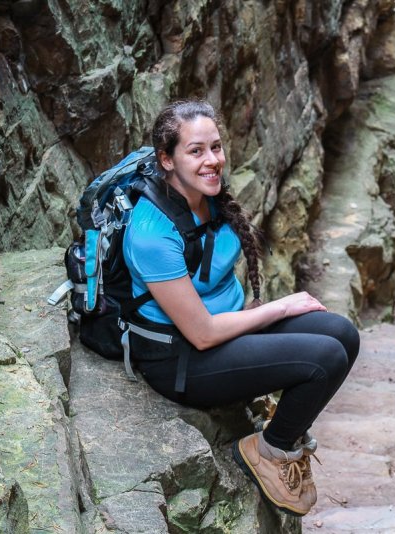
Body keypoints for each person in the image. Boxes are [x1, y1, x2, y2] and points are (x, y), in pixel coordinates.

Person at [122, 99, 360, 516]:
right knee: (324, 358)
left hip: (226, 332)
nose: (212, 160)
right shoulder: (150, 233)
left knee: (342, 333)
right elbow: (202, 333)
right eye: (196, 151)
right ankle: (270, 451)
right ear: (166, 160)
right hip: (181, 359)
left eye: (216, 147)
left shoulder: (208, 198)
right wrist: (281, 308)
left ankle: (280, 431)